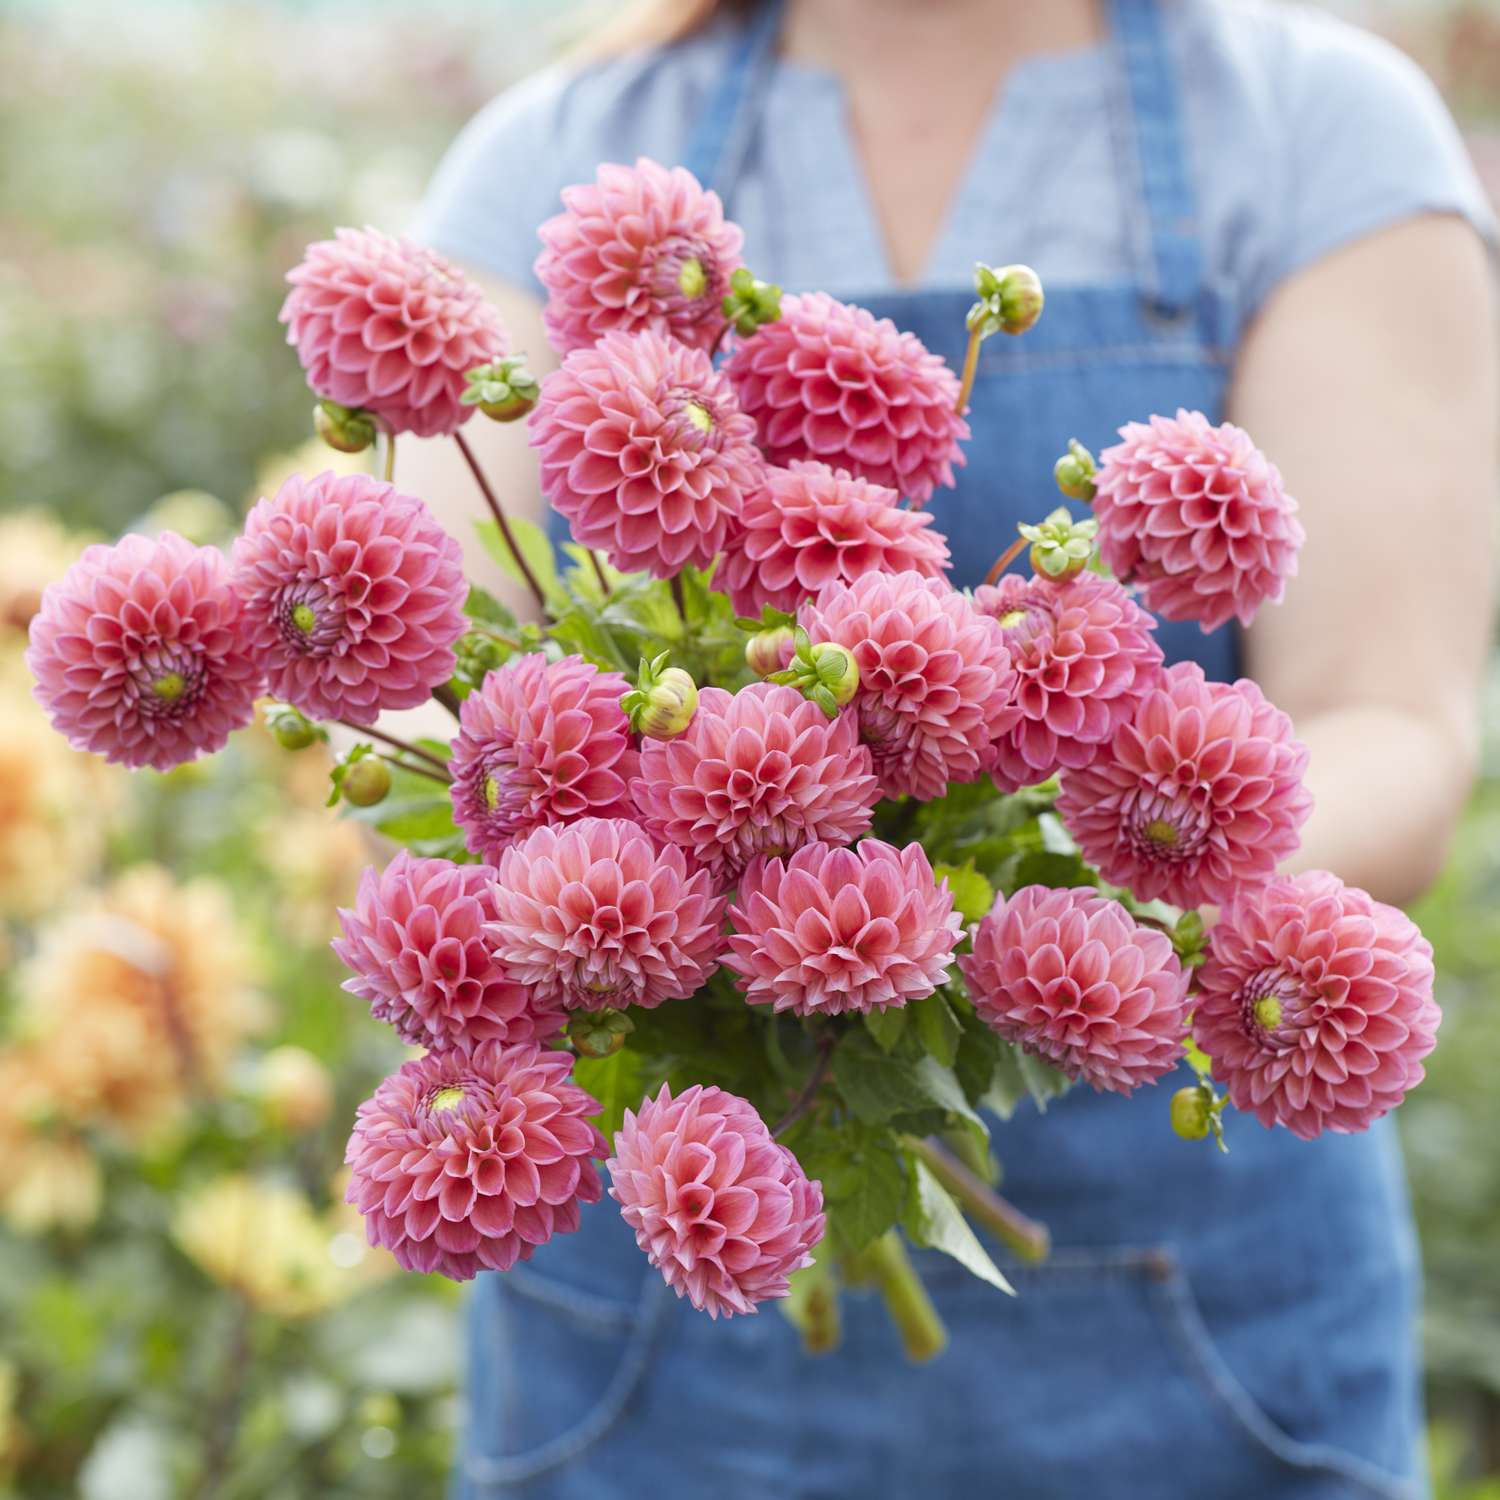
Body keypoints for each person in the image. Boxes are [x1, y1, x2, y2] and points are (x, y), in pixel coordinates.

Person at [403, 2, 1498, 1495]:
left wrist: (1041, 933)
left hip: (1199, 1329)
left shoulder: (1311, 127)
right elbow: (444, 685)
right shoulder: (552, 153)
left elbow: (1389, 725)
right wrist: (688, 916)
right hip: (653, 1333)